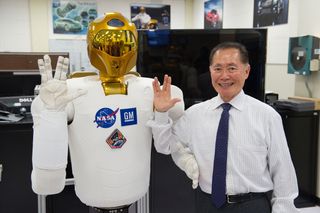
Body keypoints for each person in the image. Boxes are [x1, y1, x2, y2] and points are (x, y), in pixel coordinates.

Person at [30, 12, 186, 213]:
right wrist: (51, 111)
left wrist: (162, 110)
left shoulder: (148, 89)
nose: (116, 53)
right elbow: (48, 181)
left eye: (123, 46)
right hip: (94, 189)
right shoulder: (72, 92)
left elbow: (177, 110)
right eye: (109, 45)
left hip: (134, 185)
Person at [147, 42, 300, 212]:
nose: (224, 76)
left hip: (252, 205)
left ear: (246, 71)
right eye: (218, 69)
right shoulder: (194, 115)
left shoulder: (267, 116)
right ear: (210, 71)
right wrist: (161, 113)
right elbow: (164, 146)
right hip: (207, 204)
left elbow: (283, 172)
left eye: (232, 68)